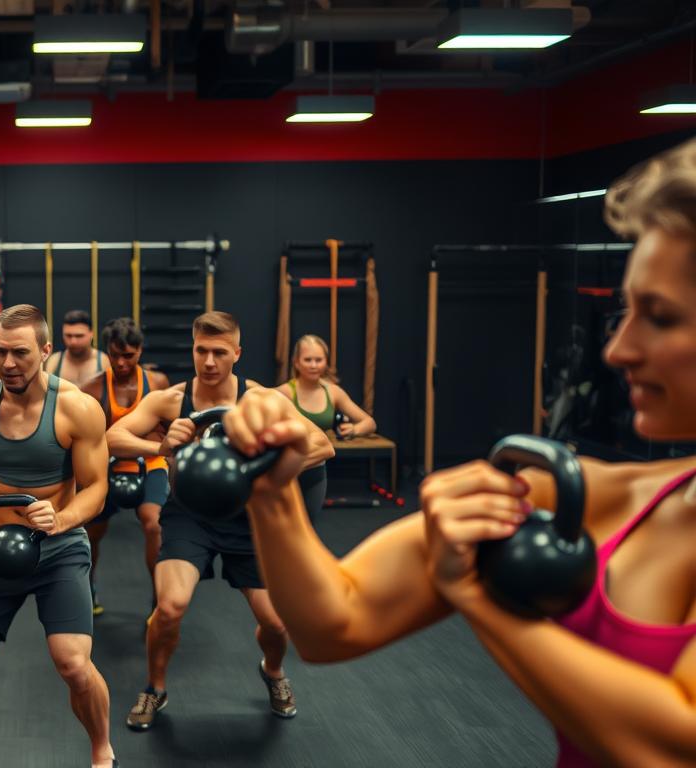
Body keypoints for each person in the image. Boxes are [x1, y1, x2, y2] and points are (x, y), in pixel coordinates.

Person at [222, 139, 696, 767]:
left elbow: (673, 749)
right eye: (626, 313)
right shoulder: (599, 496)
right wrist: (269, 488)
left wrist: (476, 597)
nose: (618, 351)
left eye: (660, 317)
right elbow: (334, 622)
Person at [106, 311, 333, 730]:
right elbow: (113, 438)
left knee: (276, 622)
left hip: (249, 520)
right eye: (201, 351)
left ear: (237, 354)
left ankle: (273, 671)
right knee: (170, 607)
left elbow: (321, 444)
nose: (209, 362)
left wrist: (261, 465)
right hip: (189, 516)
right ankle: (155, 687)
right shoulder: (171, 400)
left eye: (219, 353)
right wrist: (161, 445)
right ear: (192, 349)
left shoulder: (261, 400)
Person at [0, 304, 118, 768]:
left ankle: (103, 754)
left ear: (46, 350)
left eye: (20, 353)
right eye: (1, 352)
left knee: (74, 663)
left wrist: (63, 518)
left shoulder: (77, 407)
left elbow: (97, 487)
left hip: (57, 549)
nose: (9, 363)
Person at [78, 317, 169, 615]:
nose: (120, 362)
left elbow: (168, 432)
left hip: (150, 462)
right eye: (114, 354)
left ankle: (159, 599)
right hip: (107, 466)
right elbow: (84, 440)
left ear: (140, 351)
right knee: (91, 532)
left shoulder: (157, 383)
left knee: (154, 523)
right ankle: (87, 588)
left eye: (128, 355)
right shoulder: (92, 389)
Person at [274, 334, 376, 520]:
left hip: (316, 466)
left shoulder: (333, 392)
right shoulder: (284, 393)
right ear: (296, 363)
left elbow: (369, 422)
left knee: (309, 525)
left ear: (326, 362)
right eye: (308, 360)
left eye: (318, 360)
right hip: (288, 468)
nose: (313, 365)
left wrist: (353, 430)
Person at [44, 310, 108, 384]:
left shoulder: (102, 361)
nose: (73, 341)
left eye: (79, 336)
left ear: (91, 334)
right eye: (68, 335)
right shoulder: (55, 361)